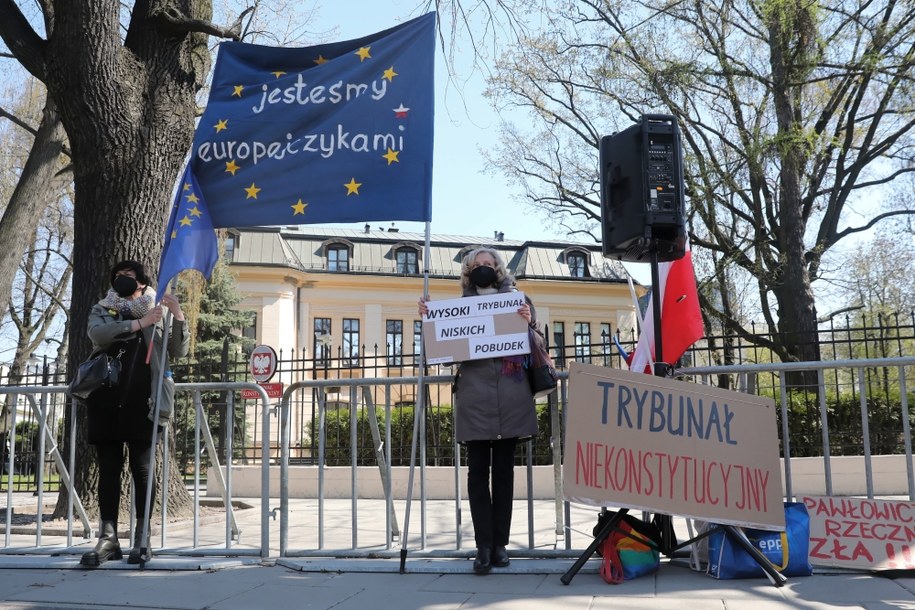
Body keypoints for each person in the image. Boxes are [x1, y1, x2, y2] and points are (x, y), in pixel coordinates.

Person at [419, 247, 539, 574]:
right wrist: (429, 321)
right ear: (468, 271)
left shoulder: (518, 301)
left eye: (489, 264)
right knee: (476, 475)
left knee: (503, 474)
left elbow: (536, 344)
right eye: (477, 265)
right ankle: (482, 546)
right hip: (474, 399)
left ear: (498, 269)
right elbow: (438, 351)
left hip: (510, 396)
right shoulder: (458, 308)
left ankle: (500, 545)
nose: (484, 268)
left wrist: (528, 323)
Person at [79, 260, 188, 567]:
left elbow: (177, 351)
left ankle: (142, 537)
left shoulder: (158, 309)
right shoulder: (104, 306)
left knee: (142, 469)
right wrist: (138, 324)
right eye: (116, 277)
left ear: (141, 281)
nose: (120, 280)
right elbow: (97, 335)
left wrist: (176, 315)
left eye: (126, 276)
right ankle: (108, 538)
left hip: (144, 401)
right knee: (109, 470)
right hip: (106, 398)